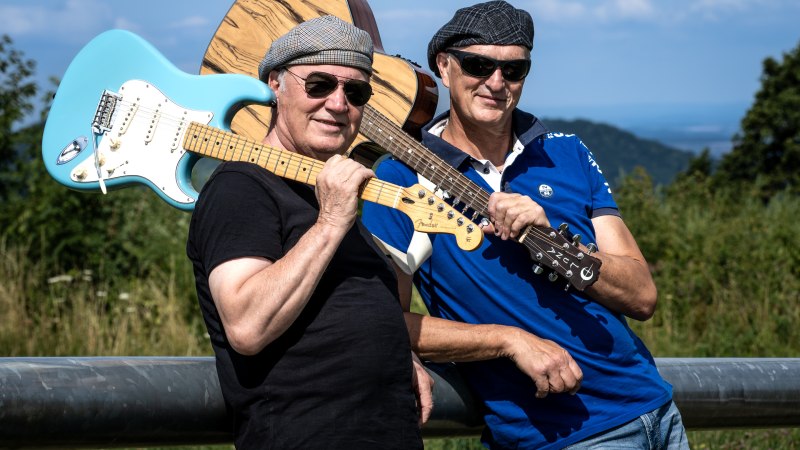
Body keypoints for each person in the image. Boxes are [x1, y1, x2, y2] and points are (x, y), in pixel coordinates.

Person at [361, 2, 689, 449]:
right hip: (561, 436)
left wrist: (553, 241)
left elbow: (641, 295)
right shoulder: (402, 178)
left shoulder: (566, 152)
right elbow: (384, 321)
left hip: (657, 408)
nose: (496, 83)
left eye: (513, 70)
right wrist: (509, 341)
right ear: (443, 66)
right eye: (478, 65)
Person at [186, 15, 428, 449]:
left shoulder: (326, 195)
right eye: (319, 85)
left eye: (355, 92)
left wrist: (395, 353)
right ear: (276, 84)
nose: (338, 104)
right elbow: (247, 324)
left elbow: (339, 312)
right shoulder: (241, 186)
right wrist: (331, 223)